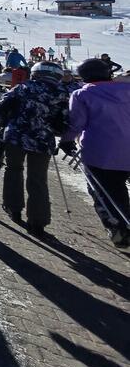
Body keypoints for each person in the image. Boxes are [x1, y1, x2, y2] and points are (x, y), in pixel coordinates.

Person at [0, 61, 70, 237]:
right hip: (43, 140)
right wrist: (55, 131)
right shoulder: (61, 94)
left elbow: (1, 105)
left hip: (17, 136)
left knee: (13, 169)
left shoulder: (24, 87)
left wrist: (3, 122)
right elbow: (65, 121)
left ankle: (13, 207)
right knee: (38, 179)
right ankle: (38, 220)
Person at [61, 58, 130, 247]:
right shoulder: (127, 89)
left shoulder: (83, 95)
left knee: (103, 192)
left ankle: (119, 229)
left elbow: (77, 123)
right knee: (119, 188)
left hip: (101, 153)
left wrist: (66, 140)